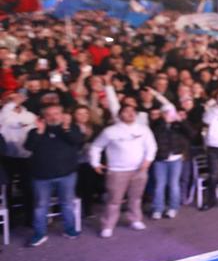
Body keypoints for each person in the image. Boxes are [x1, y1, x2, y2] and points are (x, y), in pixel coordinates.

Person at [88, 103, 157, 238]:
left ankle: (135, 219)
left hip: (139, 170)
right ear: (120, 115)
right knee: (114, 200)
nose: (130, 114)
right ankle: (108, 225)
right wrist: (95, 163)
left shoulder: (143, 129)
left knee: (136, 198)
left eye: (133, 111)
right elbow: (96, 147)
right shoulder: (110, 131)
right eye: (126, 111)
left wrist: (148, 161)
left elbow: (151, 146)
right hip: (117, 171)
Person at [23, 101, 84, 245]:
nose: (53, 117)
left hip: (67, 175)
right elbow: (28, 147)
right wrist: (39, 132)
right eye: (49, 115)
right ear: (43, 117)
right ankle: (40, 233)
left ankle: (69, 229)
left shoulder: (71, 128)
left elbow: (77, 141)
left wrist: (66, 128)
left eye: (56, 113)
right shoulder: (35, 131)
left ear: (62, 115)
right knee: (41, 206)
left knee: (67, 203)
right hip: (41, 177)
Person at [149, 105, 190, 220]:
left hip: (175, 158)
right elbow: (155, 135)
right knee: (159, 185)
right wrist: (164, 122)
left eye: (171, 112)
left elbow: (191, 133)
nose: (169, 115)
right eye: (166, 112)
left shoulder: (178, 125)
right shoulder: (157, 124)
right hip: (160, 159)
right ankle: (158, 209)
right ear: (162, 114)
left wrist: (181, 121)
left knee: (174, 184)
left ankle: (173, 207)